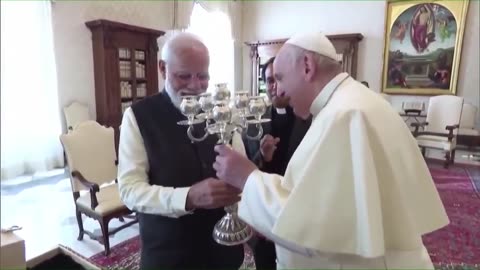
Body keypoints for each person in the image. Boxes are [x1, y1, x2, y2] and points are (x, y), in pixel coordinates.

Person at [213, 32, 449, 269]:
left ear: (307, 66)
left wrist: (247, 178)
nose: (279, 91)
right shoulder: (353, 101)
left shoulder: (344, 115)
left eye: (281, 78)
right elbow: (320, 198)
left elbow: (314, 228)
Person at [117, 32, 244, 270]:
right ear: (163, 68)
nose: (195, 86)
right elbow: (130, 190)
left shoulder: (223, 113)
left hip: (224, 253)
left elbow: (242, 167)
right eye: (183, 76)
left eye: (203, 76)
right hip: (168, 255)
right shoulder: (138, 116)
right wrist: (188, 198)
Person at [244, 57, 311, 270]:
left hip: (299, 210)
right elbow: (247, 166)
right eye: (269, 80)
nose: (274, 86)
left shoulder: (310, 117)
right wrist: (263, 156)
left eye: (279, 79)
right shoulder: (254, 121)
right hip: (265, 214)